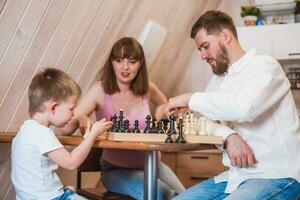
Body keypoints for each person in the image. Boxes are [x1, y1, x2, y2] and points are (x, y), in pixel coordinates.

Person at [164, 10, 300, 200]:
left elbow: (245, 107)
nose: (202, 56)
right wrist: (228, 135)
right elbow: (203, 120)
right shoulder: (218, 80)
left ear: (226, 36)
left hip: (278, 176)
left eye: (205, 46)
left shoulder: (265, 66)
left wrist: (190, 98)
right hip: (235, 177)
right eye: (199, 50)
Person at [59, 37, 185, 200]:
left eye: (132, 61)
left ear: (140, 64)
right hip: (116, 170)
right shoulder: (100, 90)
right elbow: (65, 127)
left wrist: (162, 114)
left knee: (189, 196)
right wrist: (81, 118)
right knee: (162, 194)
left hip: (154, 165)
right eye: (119, 60)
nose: (125, 67)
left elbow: (168, 109)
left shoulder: (147, 87)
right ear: (112, 62)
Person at [11, 68, 112, 200]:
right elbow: (71, 163)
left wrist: (60, 186)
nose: (72, 114)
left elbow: (34, 178)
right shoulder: (42, 133)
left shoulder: (24, 132)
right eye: (71, 109)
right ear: (53, 107)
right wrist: (92, 135)